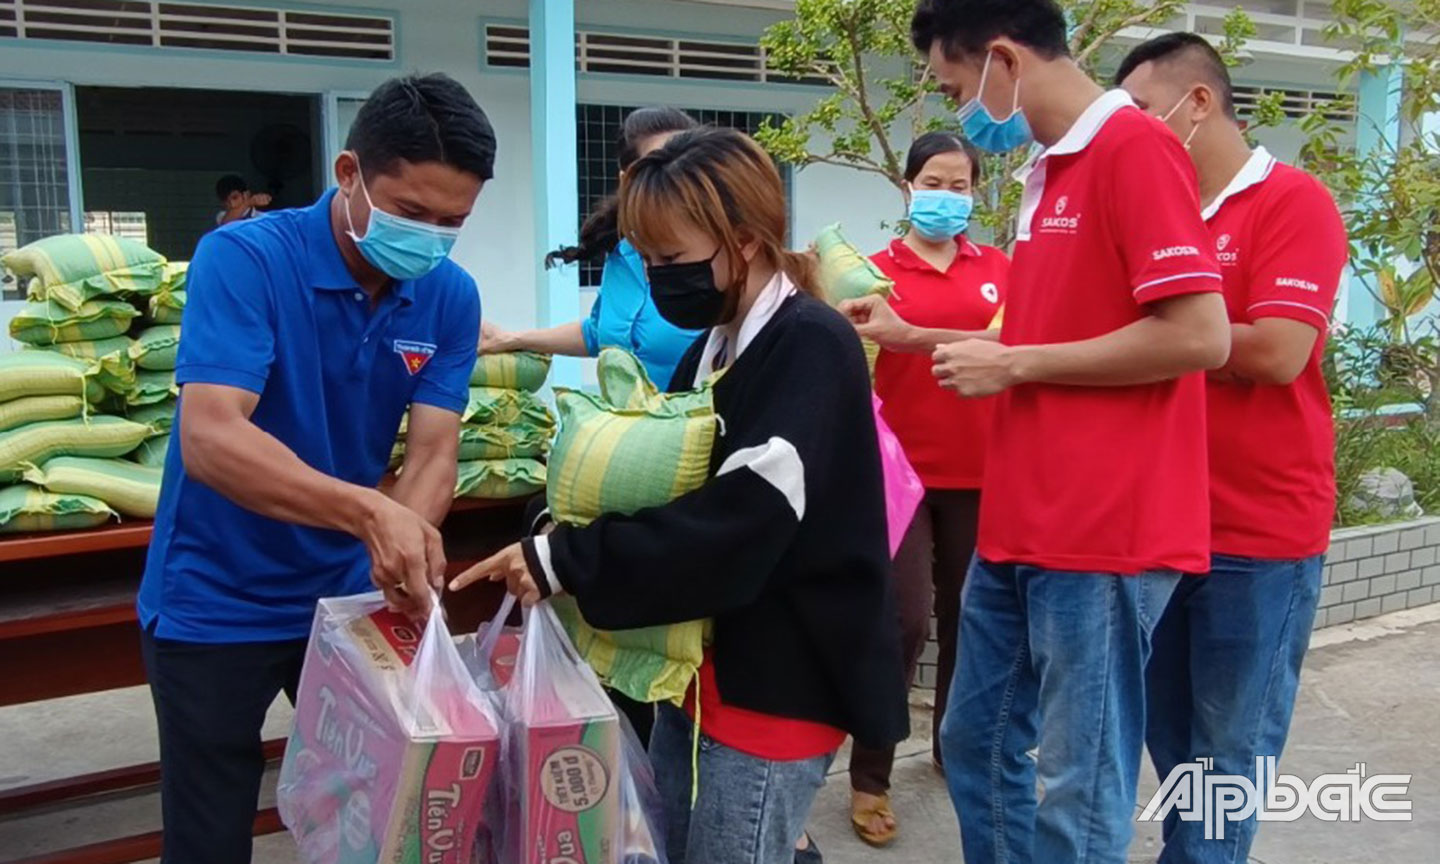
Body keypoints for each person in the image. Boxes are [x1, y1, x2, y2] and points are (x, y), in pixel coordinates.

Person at [451, 127, 909, 864]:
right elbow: (664, 472)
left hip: (776, 680)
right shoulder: (715, 345)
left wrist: (569, 559)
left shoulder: (809, 344)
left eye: (671, 259)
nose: (661, 278)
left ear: (745, 240)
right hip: (697, 672)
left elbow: (743, 518)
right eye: (648, 260)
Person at [137, 73, 493, 864]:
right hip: (215, 595)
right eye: (411, 212)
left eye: (452, 222)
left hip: (348, 600)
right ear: (348, 174)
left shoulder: (448, 297)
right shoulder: (245, 259)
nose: (429, 237)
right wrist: (373, 514)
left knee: (384, 807)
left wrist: (403, 534)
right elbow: (212, 437)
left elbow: (434, 451)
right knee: (210, 825)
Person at [909, 2, 1233, 862]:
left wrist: (1015, 366)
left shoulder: (1134, 151)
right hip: (1024, 521)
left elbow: (1201, 334)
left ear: (1003, 60)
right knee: (976, 744)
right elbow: (1047, 332)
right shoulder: (1049, 171)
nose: (959, 108)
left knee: (1079, 782)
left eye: (955, 84)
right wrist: (942, 341)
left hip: (1103, 530)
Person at [1116, 34, 1347, 864]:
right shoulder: (1160, 209)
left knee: (1227, 749)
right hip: (1162, 523)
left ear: (1199, 102)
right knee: (1172, 740)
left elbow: (1284, 352)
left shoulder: (1292, 202)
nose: (1133, 129)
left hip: (1259, 532)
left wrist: (1163, 337)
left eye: (1143, 110)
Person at [837, 131, 1008, 848]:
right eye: (936, 180)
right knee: (902, 621)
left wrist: (910, 333)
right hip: (897, 475)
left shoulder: (1004, 267)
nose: (949, 194)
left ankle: (954, 748)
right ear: (909, 188)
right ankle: (870, 776)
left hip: (984, 471)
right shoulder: (870, 274)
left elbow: (1010, 346)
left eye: (962, 184)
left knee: (974, 621)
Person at [482, 107, 702, 389]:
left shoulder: (718, 263)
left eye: (687, 167)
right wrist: (514, 339)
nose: (673, 178)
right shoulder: (623, 254)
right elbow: (598, 332)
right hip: (626, 428)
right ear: (628, 180)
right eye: (658, 166)